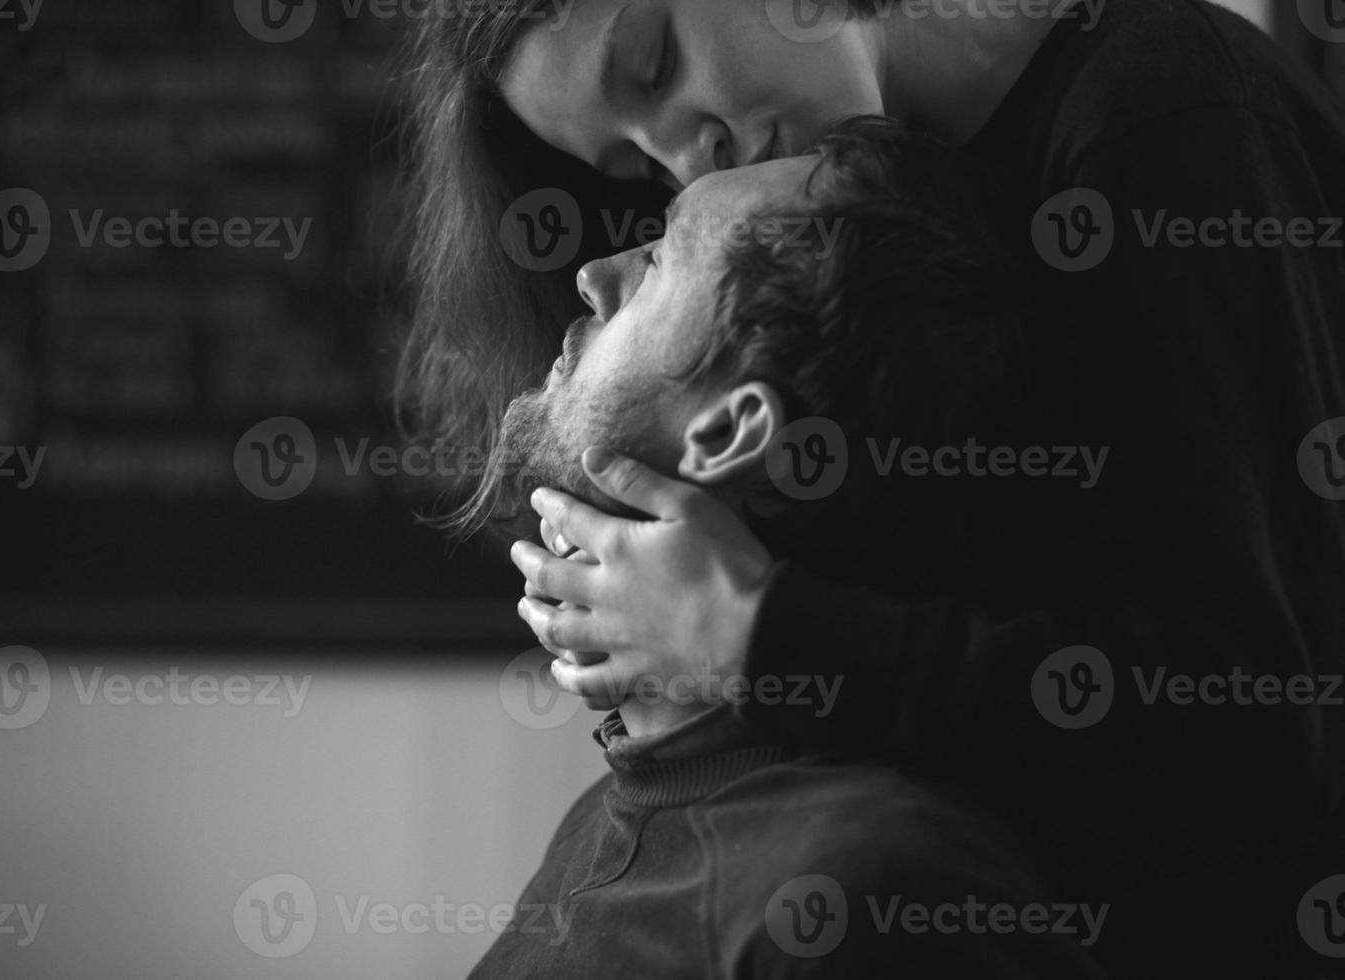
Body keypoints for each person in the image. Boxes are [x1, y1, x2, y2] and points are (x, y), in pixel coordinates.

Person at [400, 0, 1345, 972]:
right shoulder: (856, 236)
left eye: (653, 61)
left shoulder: (1163, 113)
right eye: (638, 165)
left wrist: (754, 631)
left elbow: (1257, 724)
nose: (691, 158)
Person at [463, 117, 1104, 979]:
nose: (590, 275)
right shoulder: (601, 822)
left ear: (729, 430)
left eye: (657, 258)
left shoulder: (872, 891)